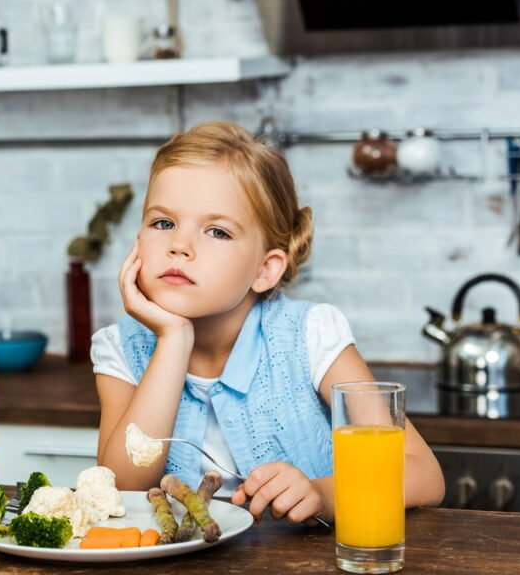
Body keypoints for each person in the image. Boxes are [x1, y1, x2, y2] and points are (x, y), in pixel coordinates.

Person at [92, 121, 444, 524]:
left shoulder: (309, 336)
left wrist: (321, 494)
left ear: (265, 269)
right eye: (163, 223)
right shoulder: (119, 347)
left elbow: (423, 474)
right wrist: (173, 339)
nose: (179, 246)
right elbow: (122, 488)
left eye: (217, 231)